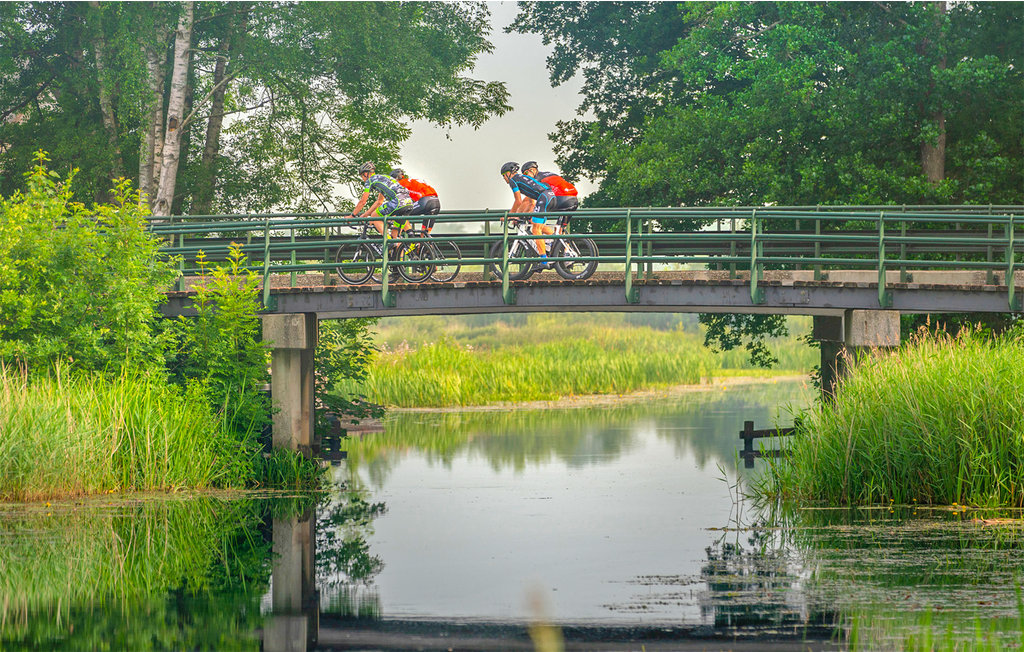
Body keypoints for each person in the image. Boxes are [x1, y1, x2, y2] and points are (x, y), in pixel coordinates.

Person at [500, 161, 556, 267]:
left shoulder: (514, 180)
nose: (504, 179)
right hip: (550, 196)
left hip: (544, 197)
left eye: (504, 176)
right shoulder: (522, 178)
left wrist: (510, 216)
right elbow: (530, 202)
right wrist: (521, 215)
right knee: (533, 221)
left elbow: (518, 201)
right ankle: (554, 240)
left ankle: (544, 261)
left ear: (509, 173)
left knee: (535, 229)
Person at [350, 161, 413, 239]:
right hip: (409, 203)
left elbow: (363, 201)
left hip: (398, 202)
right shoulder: (384, 178)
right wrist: (365, 214)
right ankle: (395, 246)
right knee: (395, 237)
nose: (363, 179)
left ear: (366, 174)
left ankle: (387, 240)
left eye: (362, 176)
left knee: (374, 216)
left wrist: (352, 215)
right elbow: (379, 202)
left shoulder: (370, 181)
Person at [523, 162, 578, 233]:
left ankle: (550, 238)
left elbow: (530, 201)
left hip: (562, 199)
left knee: (533, 220)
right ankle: (562, 243)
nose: (526, 176)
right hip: (573, 200)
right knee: (560, 231)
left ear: (532, 170)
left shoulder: (536, 180)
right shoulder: (549, 174)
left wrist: (520, 215)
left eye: (526, 173)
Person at [390, 168, 441, 233]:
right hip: (436, 201)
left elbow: (398, 201)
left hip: (425, 200)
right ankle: (424, 242)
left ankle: (403, 237)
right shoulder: (411, 180)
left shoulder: (400, 183)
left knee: (401, 213)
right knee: (425, 232)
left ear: (395, 178)